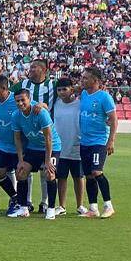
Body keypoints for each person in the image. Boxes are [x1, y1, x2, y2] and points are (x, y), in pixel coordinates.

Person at [14, 57, 57, 210]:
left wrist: (44, 105)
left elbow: (67, 92)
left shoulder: (53, 84)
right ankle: (27, 201)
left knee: (46, 170)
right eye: (30, 68)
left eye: (34, 68)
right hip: (28, 134)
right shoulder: (22, 84)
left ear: (43, 70)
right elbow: (9, 93)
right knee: (26, 169)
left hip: (46, 133)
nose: (30, 70)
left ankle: (45, 202)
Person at [10, 89, 61, 220]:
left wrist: (48, 161)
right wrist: (20, 160)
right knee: (21, 172)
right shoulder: (16, 116)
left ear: (29, 99)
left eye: (23, 100)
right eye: (17, 101)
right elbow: (17, 139)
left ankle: (50, 209)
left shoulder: (40, 113)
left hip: (51, 147)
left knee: (49, 174)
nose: (20, 103)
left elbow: (48, 138)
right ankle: (23, 208)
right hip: (33, 148)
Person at [78, 67, 117, 219]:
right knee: (89, 175)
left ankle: (108, 205)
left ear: (95, 81)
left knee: (96, 172)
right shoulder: (83, 94)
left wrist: (111, 140)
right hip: (84, 141)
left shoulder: (104, 97)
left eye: (86, 78)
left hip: (99, 141)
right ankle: (93, 208)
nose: (83, 80)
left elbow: (113, 119)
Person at [0, 75, 22, 215]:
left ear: (4, 88)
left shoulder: (16, 99)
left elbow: (35, 106)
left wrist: (41, 105)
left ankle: (24, 203)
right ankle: (15, 198)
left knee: (22, 174)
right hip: (2, 145)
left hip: (19, 145)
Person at [51, 78, 85, 215]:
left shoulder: (80, 103)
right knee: (61, 178)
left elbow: (84, 89)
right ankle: (62, 206)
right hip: (60, 146)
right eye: (59, 90)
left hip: (77, 146)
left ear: (72, 89)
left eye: (64, 89)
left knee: (78, 177)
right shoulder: (56, 103)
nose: (61, 92)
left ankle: (80, 205)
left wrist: (76, 88)